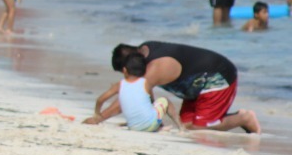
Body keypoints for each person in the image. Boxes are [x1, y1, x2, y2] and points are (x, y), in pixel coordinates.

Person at [108, 42, 260, 133]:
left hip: (217, 77)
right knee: (187, 126)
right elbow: (142, 97)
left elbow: (130, 97)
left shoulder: (154, 67)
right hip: (195, 88)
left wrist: (100, 117)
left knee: (199, 127)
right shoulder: (143, 53)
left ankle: (244, 119)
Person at [85, 51, 173, 132]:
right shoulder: (145, 83)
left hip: (133, 127)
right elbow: (151, 101)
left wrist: (97, 113)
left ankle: (152, 125)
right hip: (151, 125)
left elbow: (100, 99)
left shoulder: (120, 84)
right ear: (145, 70)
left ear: (124, 70)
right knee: (164, 101)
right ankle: (178, 126)